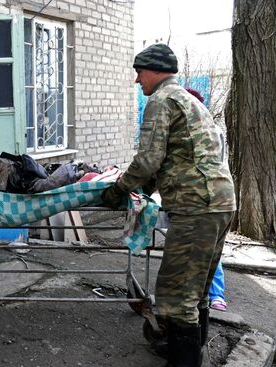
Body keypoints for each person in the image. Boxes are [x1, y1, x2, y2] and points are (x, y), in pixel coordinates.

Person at [101, 44, 235, 367]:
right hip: (221, 201)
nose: (137, 80)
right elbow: (171, 159)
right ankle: (188, 351)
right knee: (198, 288)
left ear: (156, 70)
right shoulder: (188, 101)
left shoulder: (160, 101)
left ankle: (183, 361)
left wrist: (116, 191)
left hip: (195, 207)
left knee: (176, 295)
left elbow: (148, 160)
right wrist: (145, 188)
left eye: (139, 72)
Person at [185, 87, 228, 313]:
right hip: (197, 198)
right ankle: (199, 297)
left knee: (210, 250)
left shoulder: (209, 131)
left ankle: (215, 294)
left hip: (210, 198)